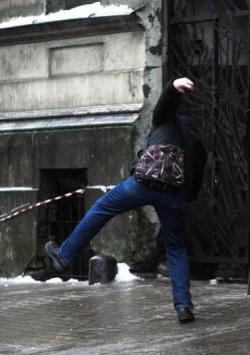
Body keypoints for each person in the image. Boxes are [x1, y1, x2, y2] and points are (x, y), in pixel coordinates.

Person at [44, 77, 207, 324]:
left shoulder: (165, 121)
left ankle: (64, 256)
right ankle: (183, 307)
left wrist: (173, 87)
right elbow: (194, 186)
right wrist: (180, 200)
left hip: (142, 184)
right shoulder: (197, 146)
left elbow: (164, 106)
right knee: (176, 248)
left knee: (101, 208)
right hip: (174, 195)